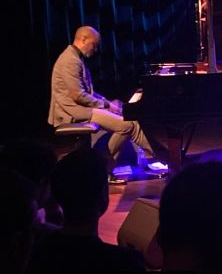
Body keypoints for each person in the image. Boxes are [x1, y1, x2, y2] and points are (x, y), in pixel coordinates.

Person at [48, 26, 165, 179]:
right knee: (127, 125)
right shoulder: (70, 60)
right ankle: (102, 166)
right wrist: (107, 106)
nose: (95, 49)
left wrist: (108, 103)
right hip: (73, 112)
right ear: (83, 39)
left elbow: (88, 92)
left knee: (132, 122)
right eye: (94, 45)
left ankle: (165, 156)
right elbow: (78, 96)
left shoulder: (75, 58)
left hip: (81, 108)